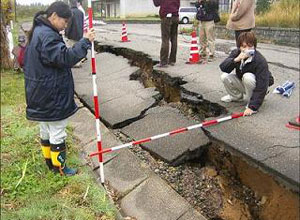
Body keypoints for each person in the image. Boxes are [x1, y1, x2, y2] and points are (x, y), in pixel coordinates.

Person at [24, 1, 95, 176]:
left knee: (46, 128)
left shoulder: (39, 31)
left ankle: (50, 164)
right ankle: (60, 169)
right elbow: (65, 58)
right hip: (51, 94)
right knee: (57, 131)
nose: (65, 26)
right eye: (64, 22)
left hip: (39, 92)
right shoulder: (47, 35)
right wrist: (85, 42)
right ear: (54, 16)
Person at [219, 32, 274, 116]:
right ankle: (235, 97)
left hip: (259, 85)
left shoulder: (260, 60)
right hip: (244, 82)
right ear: (239, 47)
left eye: (250, 46)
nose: (247, 49)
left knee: (247, 76)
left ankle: (251, 101)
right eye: (244, 46)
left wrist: (252, 107)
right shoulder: (237, 53)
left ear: (254, 46)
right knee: (224, 76)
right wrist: (236, 59)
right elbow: (223, 67)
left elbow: (262, 85)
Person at [153, 0, 180, 67]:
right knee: (174, 38)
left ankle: (164, 61)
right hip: (175, 16)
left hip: (166, 17)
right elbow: (178, 4)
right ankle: (172, 60)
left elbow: (156, 3)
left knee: (165, 39)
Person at [65, 0, 84, 67]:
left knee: (72, 49)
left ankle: (75, 63)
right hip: (80, 33)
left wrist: (66, 33)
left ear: (70, 4)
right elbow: (82, 23)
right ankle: (79, 62)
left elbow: (69, 25)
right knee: (78, 48)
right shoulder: (81, 12)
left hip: (72, 34)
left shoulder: (70, 13)